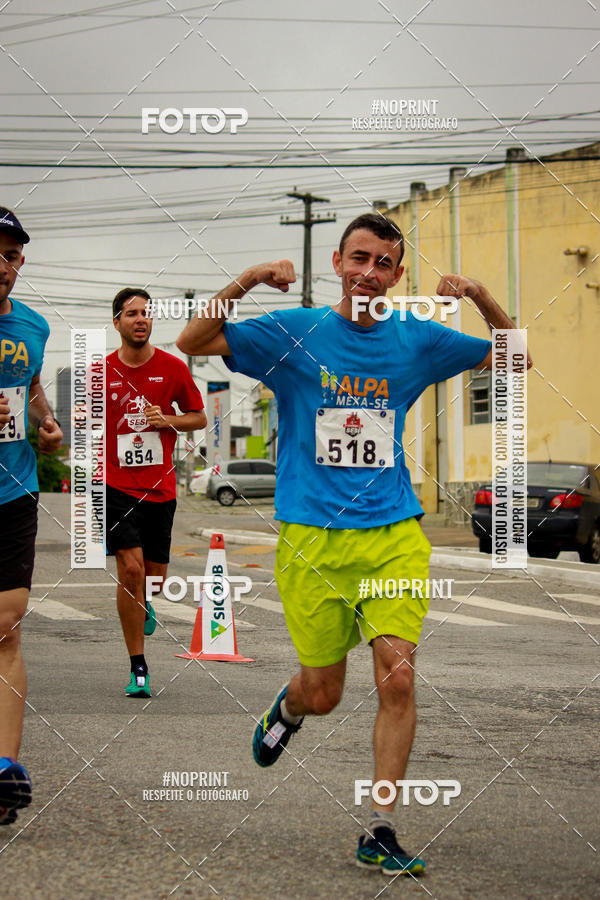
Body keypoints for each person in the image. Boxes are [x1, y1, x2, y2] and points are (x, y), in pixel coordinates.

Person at [176, 212, 531, 875]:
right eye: (359, 258)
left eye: (385, 263)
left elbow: (518, 357)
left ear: (397, 276)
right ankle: (289, 706)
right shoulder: (296, 331)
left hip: (394, 533)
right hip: (313, 539)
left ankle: (380, 826)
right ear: (338, 263)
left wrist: (481, 296)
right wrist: (252, 277)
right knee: (326, 691)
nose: (370, 272)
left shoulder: (418, 340)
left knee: (398, 677)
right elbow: (194, 338)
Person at [105, 288, 206, 697]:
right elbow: (88, 425)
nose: (141, 319)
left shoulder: (173, 368)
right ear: (117, 322)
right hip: (115, 486)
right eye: (132, 314)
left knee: (154, 580)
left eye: (146, 313)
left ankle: (146, 602)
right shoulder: (101, 372)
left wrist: (168, 420)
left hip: (160, 490)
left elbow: (198, 416)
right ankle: (138, 666)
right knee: (130, 571)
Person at [0, 207, 62, 825]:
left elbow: (33, 386)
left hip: (12, 490)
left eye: (12, 255)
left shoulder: (34, 326)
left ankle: (2, 769)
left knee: (6, 625)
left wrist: (46, 425)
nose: (3, 264)